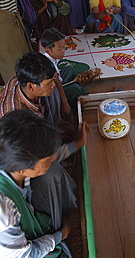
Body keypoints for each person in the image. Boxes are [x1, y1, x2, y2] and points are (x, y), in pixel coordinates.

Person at [0, 52, 91, 230]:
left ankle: (56, 130)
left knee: (55, 93)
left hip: (29, 143)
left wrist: (63, 101)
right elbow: (44, 157)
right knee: (52, 174)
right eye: (47, 83)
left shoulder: (19, 81)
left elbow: (54, 81)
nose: (52, 85)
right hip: (18, 153)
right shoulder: (20, 119)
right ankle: (53, 222)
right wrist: (77, 144)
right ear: (32, 86)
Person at [0, 109, 77, 258]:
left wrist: (77, 144)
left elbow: (53, 155)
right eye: (47, 159)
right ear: (22, 167)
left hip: (18, 216)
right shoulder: (3, 209)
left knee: (52, 172)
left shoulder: (11, 158)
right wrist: (60, 235)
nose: (52, 159)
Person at [41, 27, 90, 108]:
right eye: (59, 49)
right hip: (54, 90)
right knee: (74, 88)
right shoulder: (48, 66)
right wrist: (64, 102)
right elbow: (56, 86)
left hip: (59, 81)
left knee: (70, 69)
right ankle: (83, 99)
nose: (63, 51)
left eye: (64, 47)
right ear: (47, 50)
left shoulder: (53, 58)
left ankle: (73, 85)